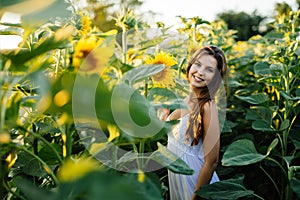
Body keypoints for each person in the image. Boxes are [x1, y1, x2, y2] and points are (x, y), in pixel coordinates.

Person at [158, 45, 227, 200]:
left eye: (209, 70)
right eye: (198, 64)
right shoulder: (186, 99)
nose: (200, 72)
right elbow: (176, 135)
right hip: (177, 179)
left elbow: (212, 161)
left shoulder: (208, 106)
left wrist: (196, 197)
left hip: (195, 183)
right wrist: (163, 116)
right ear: (190, 65)